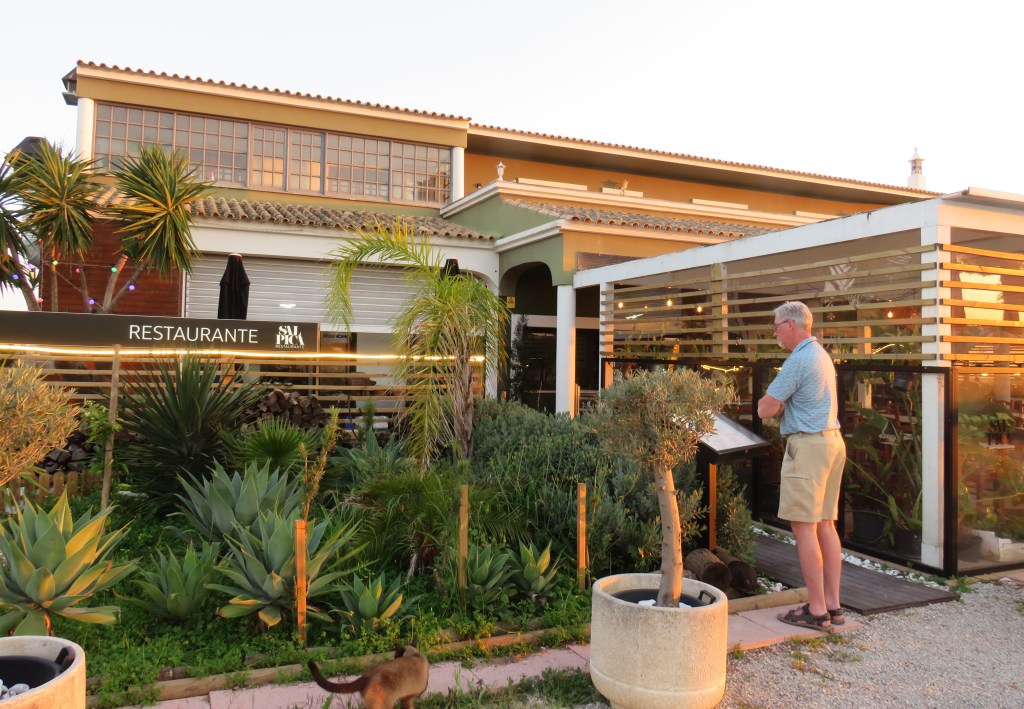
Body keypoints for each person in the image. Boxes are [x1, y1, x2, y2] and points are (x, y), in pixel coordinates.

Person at [757, 301, 847, 631]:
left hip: (808, 447)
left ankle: (817, 610)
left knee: (804, 527)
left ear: (791, 325)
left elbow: (765, 409)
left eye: (776, 326)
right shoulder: (821, 354)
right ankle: (833, 605)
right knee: (825, 524)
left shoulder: (798, 360)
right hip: (832, 442)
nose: (775, 333)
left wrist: (777, 406)